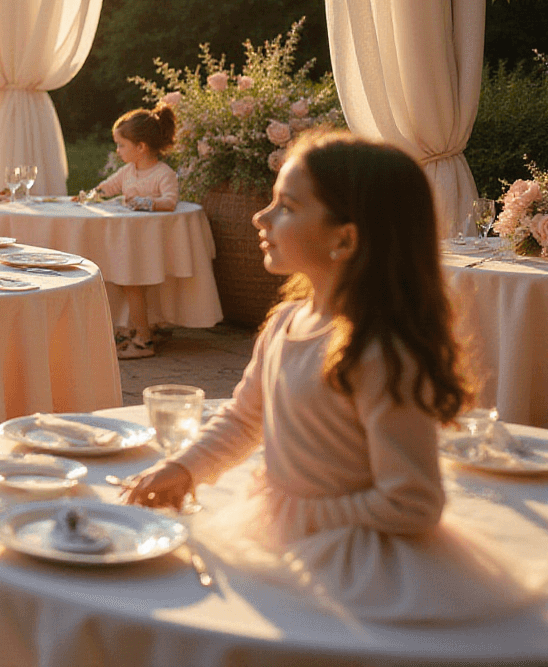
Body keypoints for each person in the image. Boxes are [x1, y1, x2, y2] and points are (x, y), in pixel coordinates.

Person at [125, 132, 543, 622]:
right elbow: (243, 419)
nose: (261, 217)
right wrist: (184, 468)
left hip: (357, 560)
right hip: (283, 530)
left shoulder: (379, 352)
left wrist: (302, 514)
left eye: (286, 206)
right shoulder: (286, 321)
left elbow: (413, 502)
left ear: (344, 238)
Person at [95, 104, 182, 358]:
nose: (118, 150)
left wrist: (144, 202)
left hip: (148, 244)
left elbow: (170, 201)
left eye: (121, 145)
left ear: (141, 147)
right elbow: (107, 187)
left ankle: (144, 340)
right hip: (128, 240)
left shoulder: (163, 174)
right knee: (127, 283)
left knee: (133, 285)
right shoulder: (128, 172)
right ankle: (137, 329)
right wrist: (92, 194)